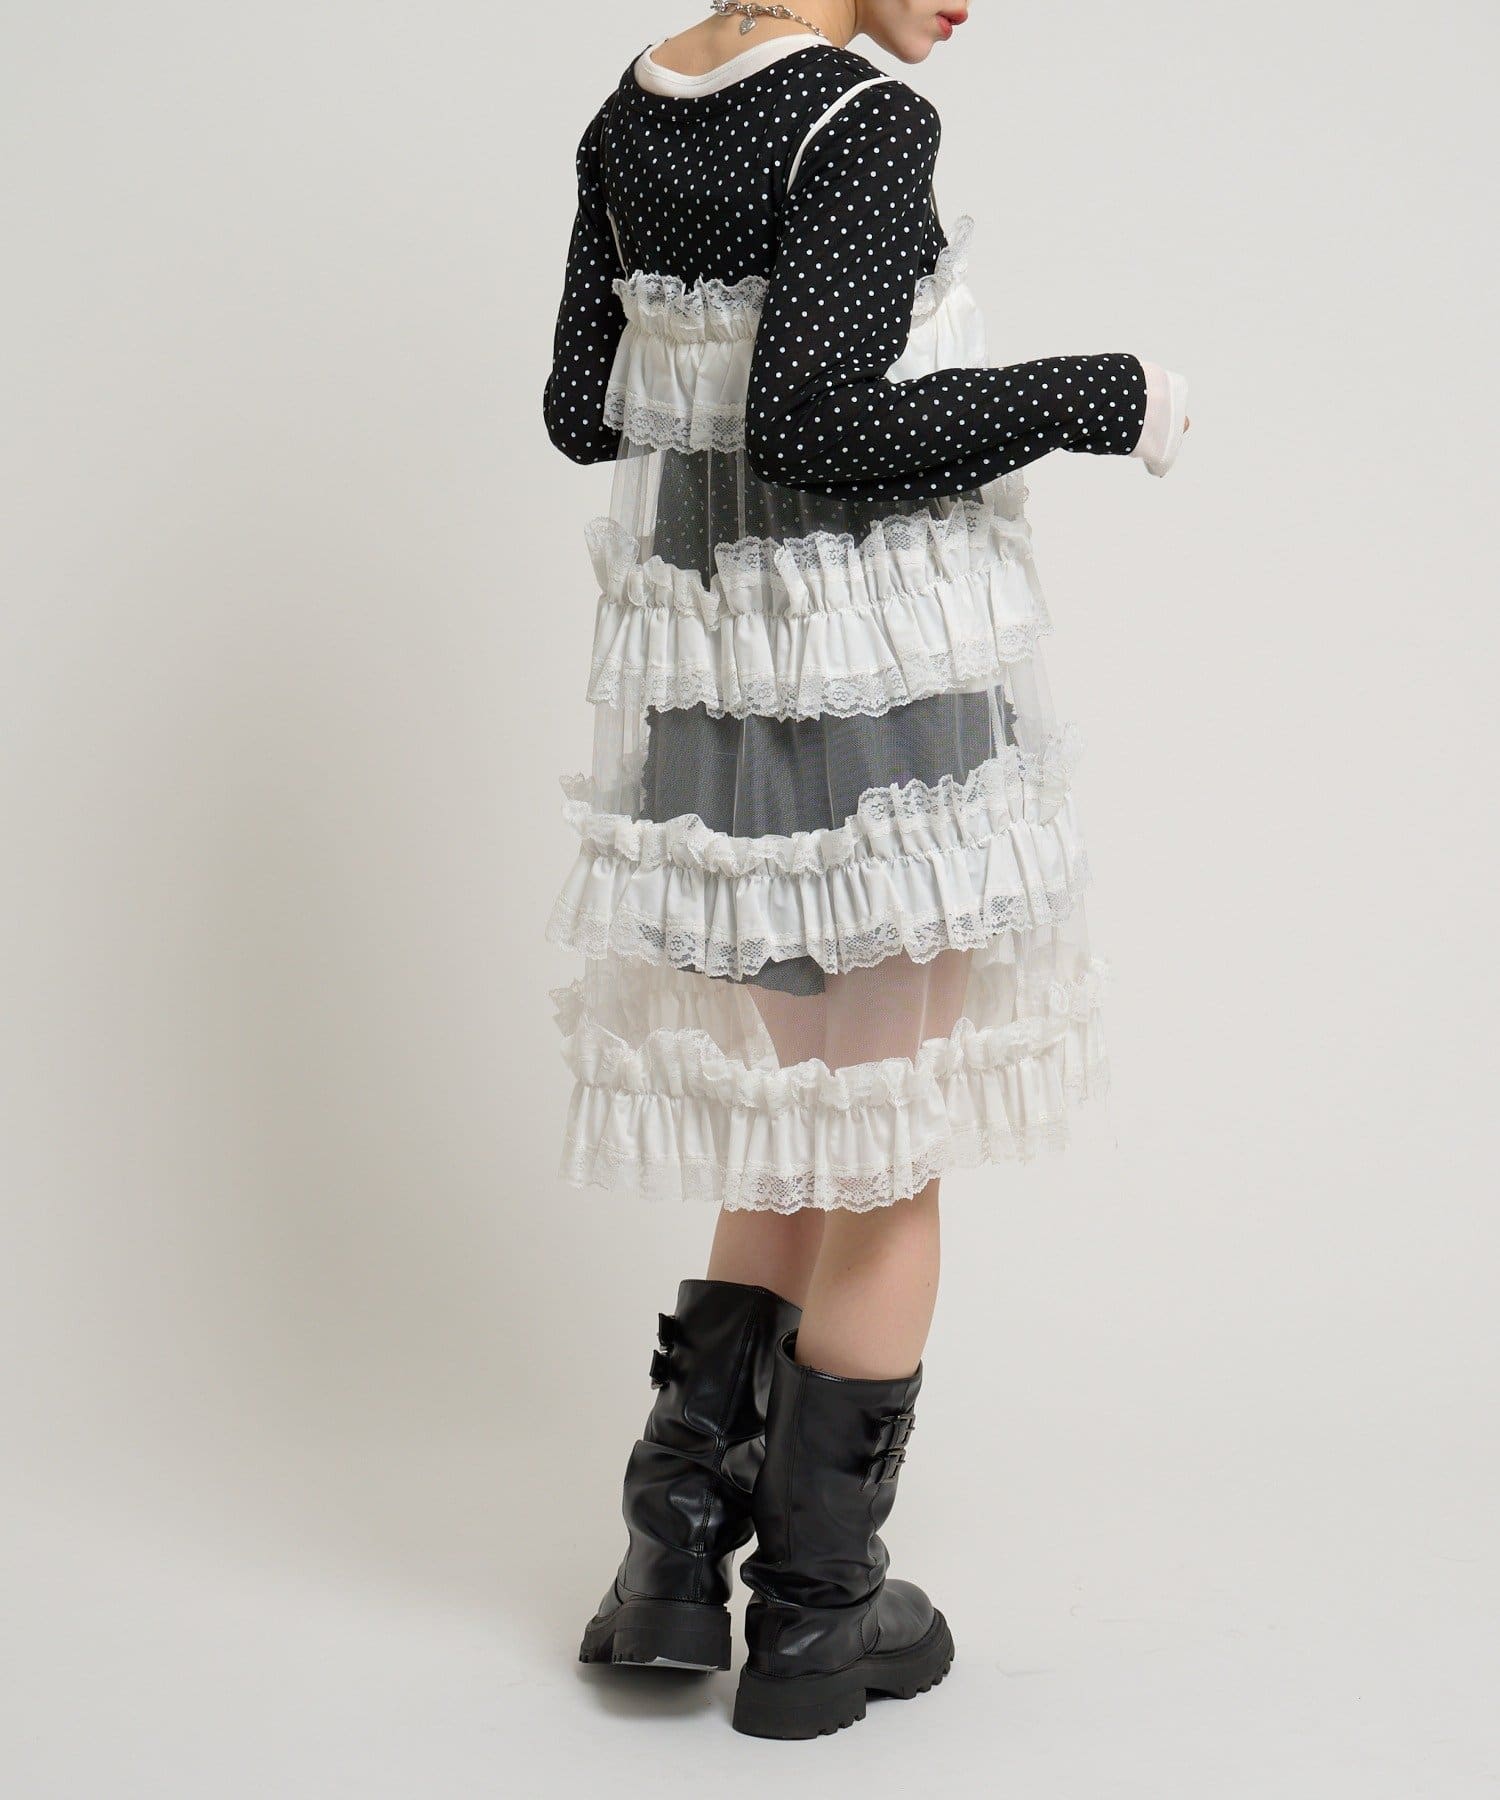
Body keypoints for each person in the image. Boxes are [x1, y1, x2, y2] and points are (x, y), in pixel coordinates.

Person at [542, 0, 1189, 1740]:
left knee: (799, 1126)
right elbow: (823, 425)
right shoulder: (860, 120)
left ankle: (671, 1562)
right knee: (887, 1156)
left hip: (718, 701)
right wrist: (1101, 393)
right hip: (872, 703)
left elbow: (582, 411)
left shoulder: (639, 105)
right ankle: (819, 1615)